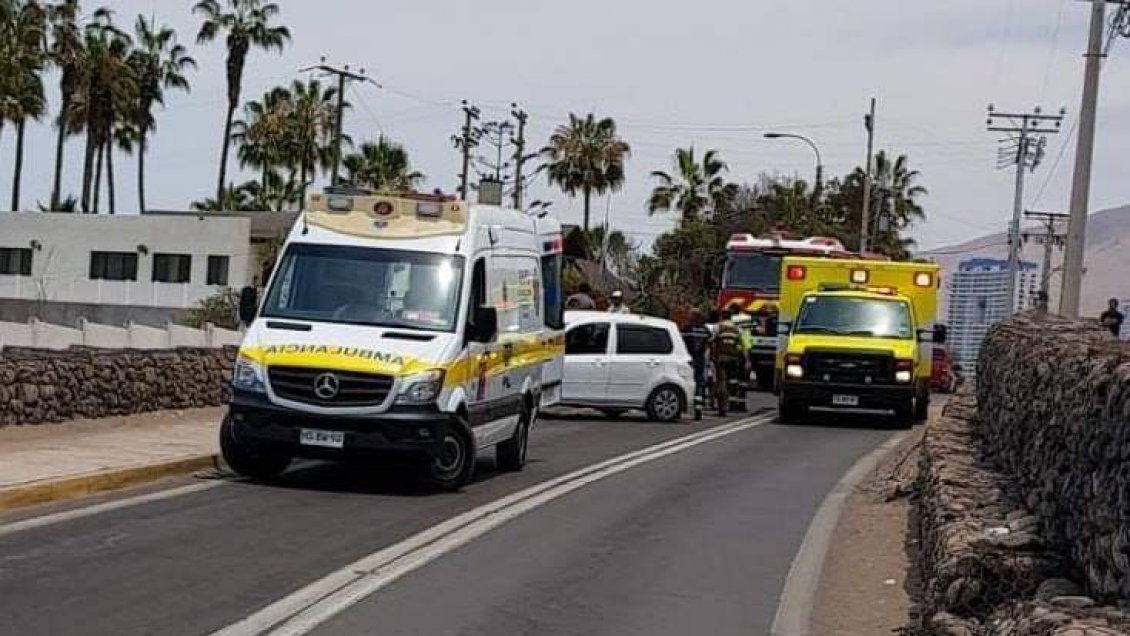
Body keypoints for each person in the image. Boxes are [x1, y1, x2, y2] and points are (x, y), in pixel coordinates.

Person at [681, 308, 713, 421]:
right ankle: (698, 408)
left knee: (686, 381)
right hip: (700, 359)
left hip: (688, 359)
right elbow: (710, 342)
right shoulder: (705, 330)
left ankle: (687, 406)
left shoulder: (686, 329)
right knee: (699, 383)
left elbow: (681, 343)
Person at [713, 309, 744, 417]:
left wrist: (713, 356)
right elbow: (740, 345)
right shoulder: (737, 329)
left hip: (721, 358)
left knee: (722, 381)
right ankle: (729, 401)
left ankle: (722, 404)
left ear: (722, 316)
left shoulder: (718, 327)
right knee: (732, 381)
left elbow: (713, 342)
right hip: (733, 359)